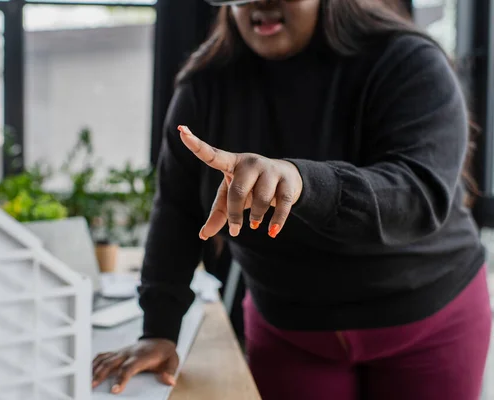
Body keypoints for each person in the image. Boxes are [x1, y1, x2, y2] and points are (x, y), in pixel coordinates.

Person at [91, 0, 492, 398]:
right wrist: (159, 330)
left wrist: (302, 182)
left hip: (428, 319)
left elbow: (419, 193)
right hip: (291, 330)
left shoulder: (407, 60)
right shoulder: (205, 87)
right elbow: (176, 212)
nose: (260, 4)